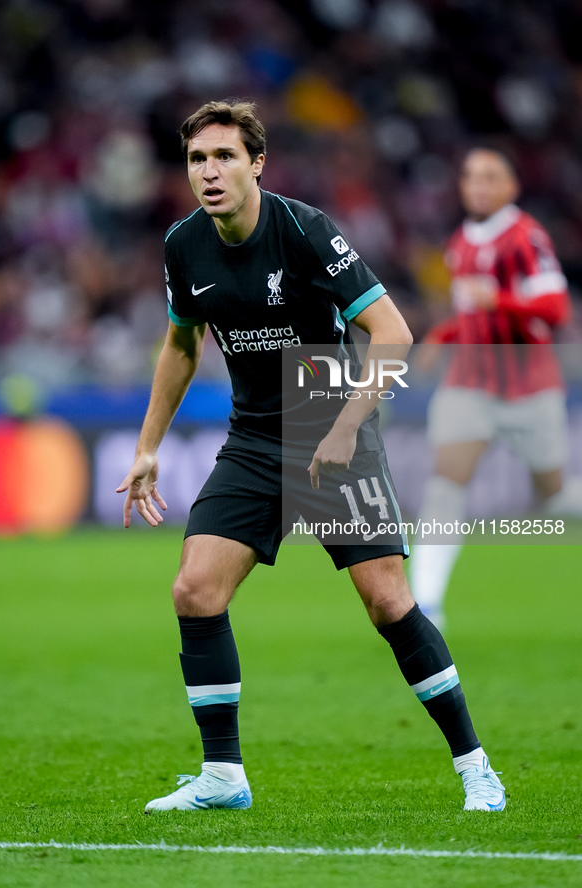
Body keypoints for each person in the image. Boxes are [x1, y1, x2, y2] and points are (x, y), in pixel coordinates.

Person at [117, 101, 505, 814]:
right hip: (256, 438)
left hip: (334, 429)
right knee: (194, 591)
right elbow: (180, 343)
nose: (209, 171)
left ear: (256, 163)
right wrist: (147, 448)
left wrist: (346, 424)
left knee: (388, 603)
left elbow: (391, 334)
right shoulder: (183, 245)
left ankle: (475, 765)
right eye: (198, 159)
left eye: (225, 156)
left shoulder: (304, 231)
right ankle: (223, 778)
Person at [410, 147, 575, 627]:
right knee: (445, 487)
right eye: (470, 177)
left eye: (490, 177)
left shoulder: (527, 239)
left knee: (554, 497)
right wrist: (442, 336)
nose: (478, 185)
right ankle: (426, 606)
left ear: (510, 187)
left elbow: (555, 308)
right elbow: (473, 316)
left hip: (530, 388)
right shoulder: (459, 242)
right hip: (470, 385)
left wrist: (500, 298)